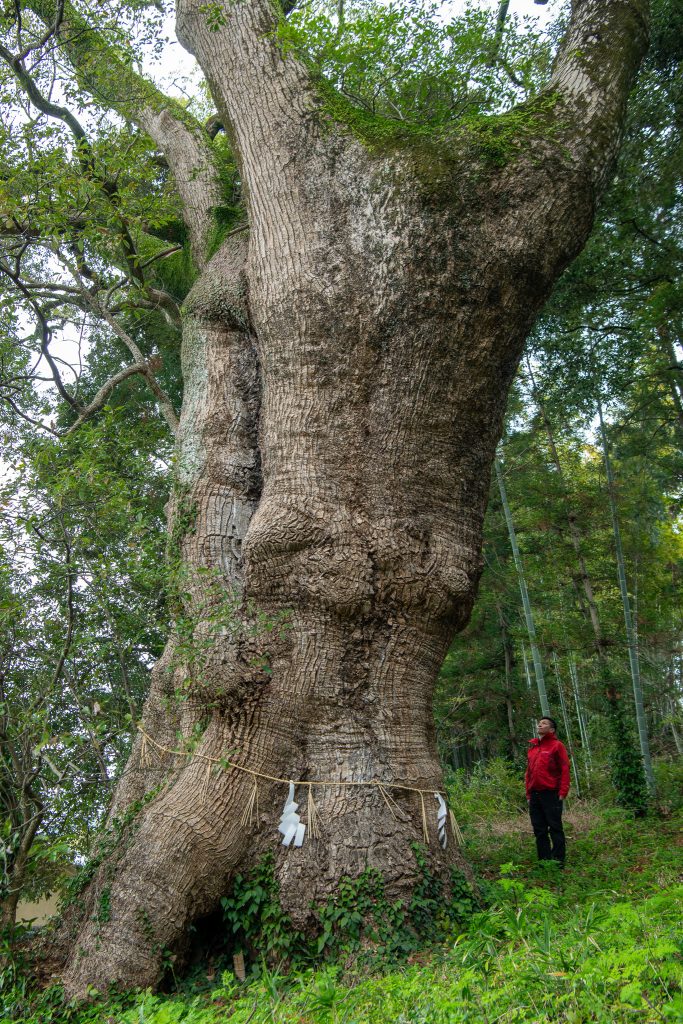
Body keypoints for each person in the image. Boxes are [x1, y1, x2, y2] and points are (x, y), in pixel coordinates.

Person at [525, 716, 570, 866]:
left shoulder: (557, 746)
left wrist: (563, 791)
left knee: (555, 827)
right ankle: (544, 861)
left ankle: (558, 861)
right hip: (535, 794)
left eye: (544, 723)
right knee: (539, 829)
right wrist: (528, 793)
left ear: (551, 730)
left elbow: (564, 768)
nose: (540, 724)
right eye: (539, 723)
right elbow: (529, 772)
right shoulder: (533, 748)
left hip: (551, 793)